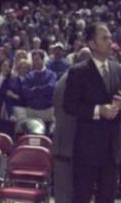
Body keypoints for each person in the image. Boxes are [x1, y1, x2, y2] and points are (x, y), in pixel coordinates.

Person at [64, 23, 121, 203]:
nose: (110, 42)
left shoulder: (118, 69)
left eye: (111, 38)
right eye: (105, 38)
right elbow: (69, 106)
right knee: (81, 197)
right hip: (86, 149)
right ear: (92, 43)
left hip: (112, 149)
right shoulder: (78, 71)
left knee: (107, 198)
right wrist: (98, 110)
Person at [52, 47, 90, 203]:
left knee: (64, 192)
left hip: (64, 142)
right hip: (72, 143)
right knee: (69, 193)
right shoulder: (75, 80)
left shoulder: (65, 78)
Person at [22, 50, 56, 126]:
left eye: (37, 59)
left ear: (43, 60)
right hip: (32, 111)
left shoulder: (51, 75)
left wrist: (34, 89)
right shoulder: (29, 76)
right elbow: (26, 92)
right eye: (33, 60)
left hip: (47, 110)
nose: (35, 62)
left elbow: (50, 88)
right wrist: (42, 91)